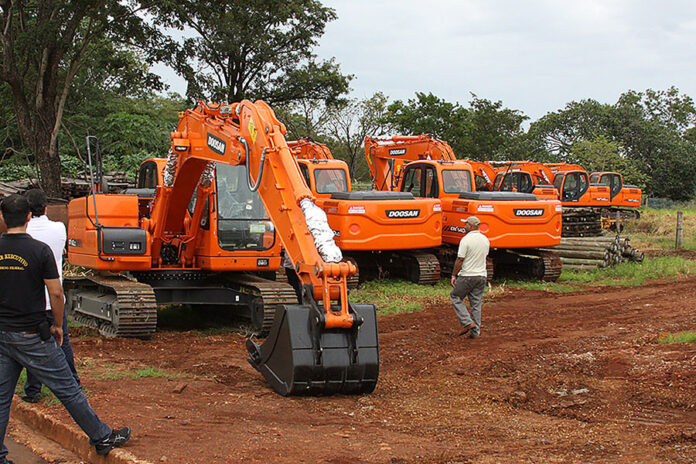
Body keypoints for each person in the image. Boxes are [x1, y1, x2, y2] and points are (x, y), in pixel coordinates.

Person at [0, 195, 130, 463]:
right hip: (32, 335)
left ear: (3, 218)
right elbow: (56, 293)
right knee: (67, 388)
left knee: (2, 397)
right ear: (28, 217)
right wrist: (58, 324)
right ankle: (102, 437)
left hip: (3, 334)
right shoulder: (40, 251)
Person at [21, 189, 81, 403]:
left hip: (31, 300)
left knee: (33, 347)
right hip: (54, 298)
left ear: (27, 212)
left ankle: (33, 390)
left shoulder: (24, 234)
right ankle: (74, 383)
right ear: (45, 208)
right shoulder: (59, 229)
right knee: (62, 342)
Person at [450, 216, 490, 339]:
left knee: (455, 296)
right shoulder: (485, 239)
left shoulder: (466, 240)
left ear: (471, 226)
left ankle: (467, 322)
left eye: (466, 224)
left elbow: (460, 259)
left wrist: (453, 275)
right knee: (476, 303)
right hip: (481, 276)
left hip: (467, 275)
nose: (464, 226)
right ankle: (475, 332)